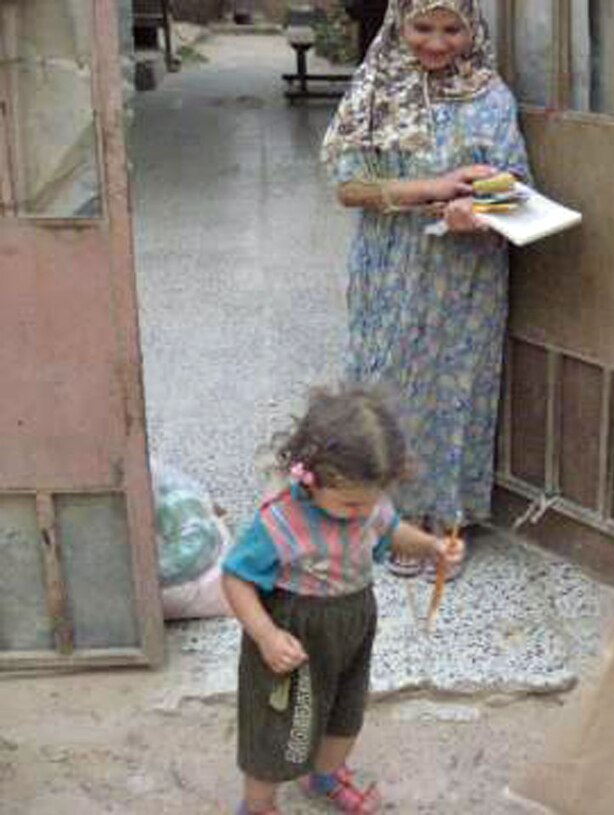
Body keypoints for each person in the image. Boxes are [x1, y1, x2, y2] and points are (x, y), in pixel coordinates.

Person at [320, 0, 531, 578]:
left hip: (466, 273)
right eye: (422, 27)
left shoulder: (491, 95)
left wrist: (481, 204)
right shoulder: (375, 88)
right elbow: (347, 187)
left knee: (455, 390)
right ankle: (380, 519)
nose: (436, 43)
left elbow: (515, 180)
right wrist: (432, 188)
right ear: (399, 25)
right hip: (390, 266)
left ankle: (440, 524)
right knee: (383, 385)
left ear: (471, 29)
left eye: (451, 28)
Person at [221, 386, 464, 815]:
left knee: (345, 712)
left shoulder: (365, 503)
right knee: (277, 728)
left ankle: (327, 774)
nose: (362, 512)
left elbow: (390, 531)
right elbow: (236, 577)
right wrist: (265, 635)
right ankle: (257, 805)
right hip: (294, 637)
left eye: (370, 501)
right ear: (313, 478)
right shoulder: (282, 521)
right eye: (350, 503)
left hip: (352, 625)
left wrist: (431, 546)